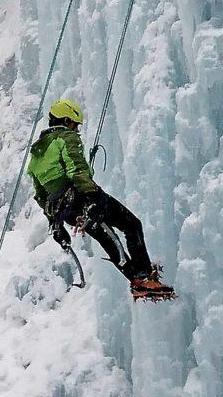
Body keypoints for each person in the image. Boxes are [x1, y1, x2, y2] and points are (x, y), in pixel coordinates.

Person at [27, 99, 175, 300]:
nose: (77, 130)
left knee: (108, 239)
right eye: (74, 124)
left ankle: (140, 277)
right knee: (130, 225)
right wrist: (91, 197)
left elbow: (41, 196)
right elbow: (77, 170)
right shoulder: (66, 138)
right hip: (83, 199)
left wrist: (55, 224)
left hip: (66, 211)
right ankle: (141, 276)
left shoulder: (36, 155)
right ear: (65, 120)